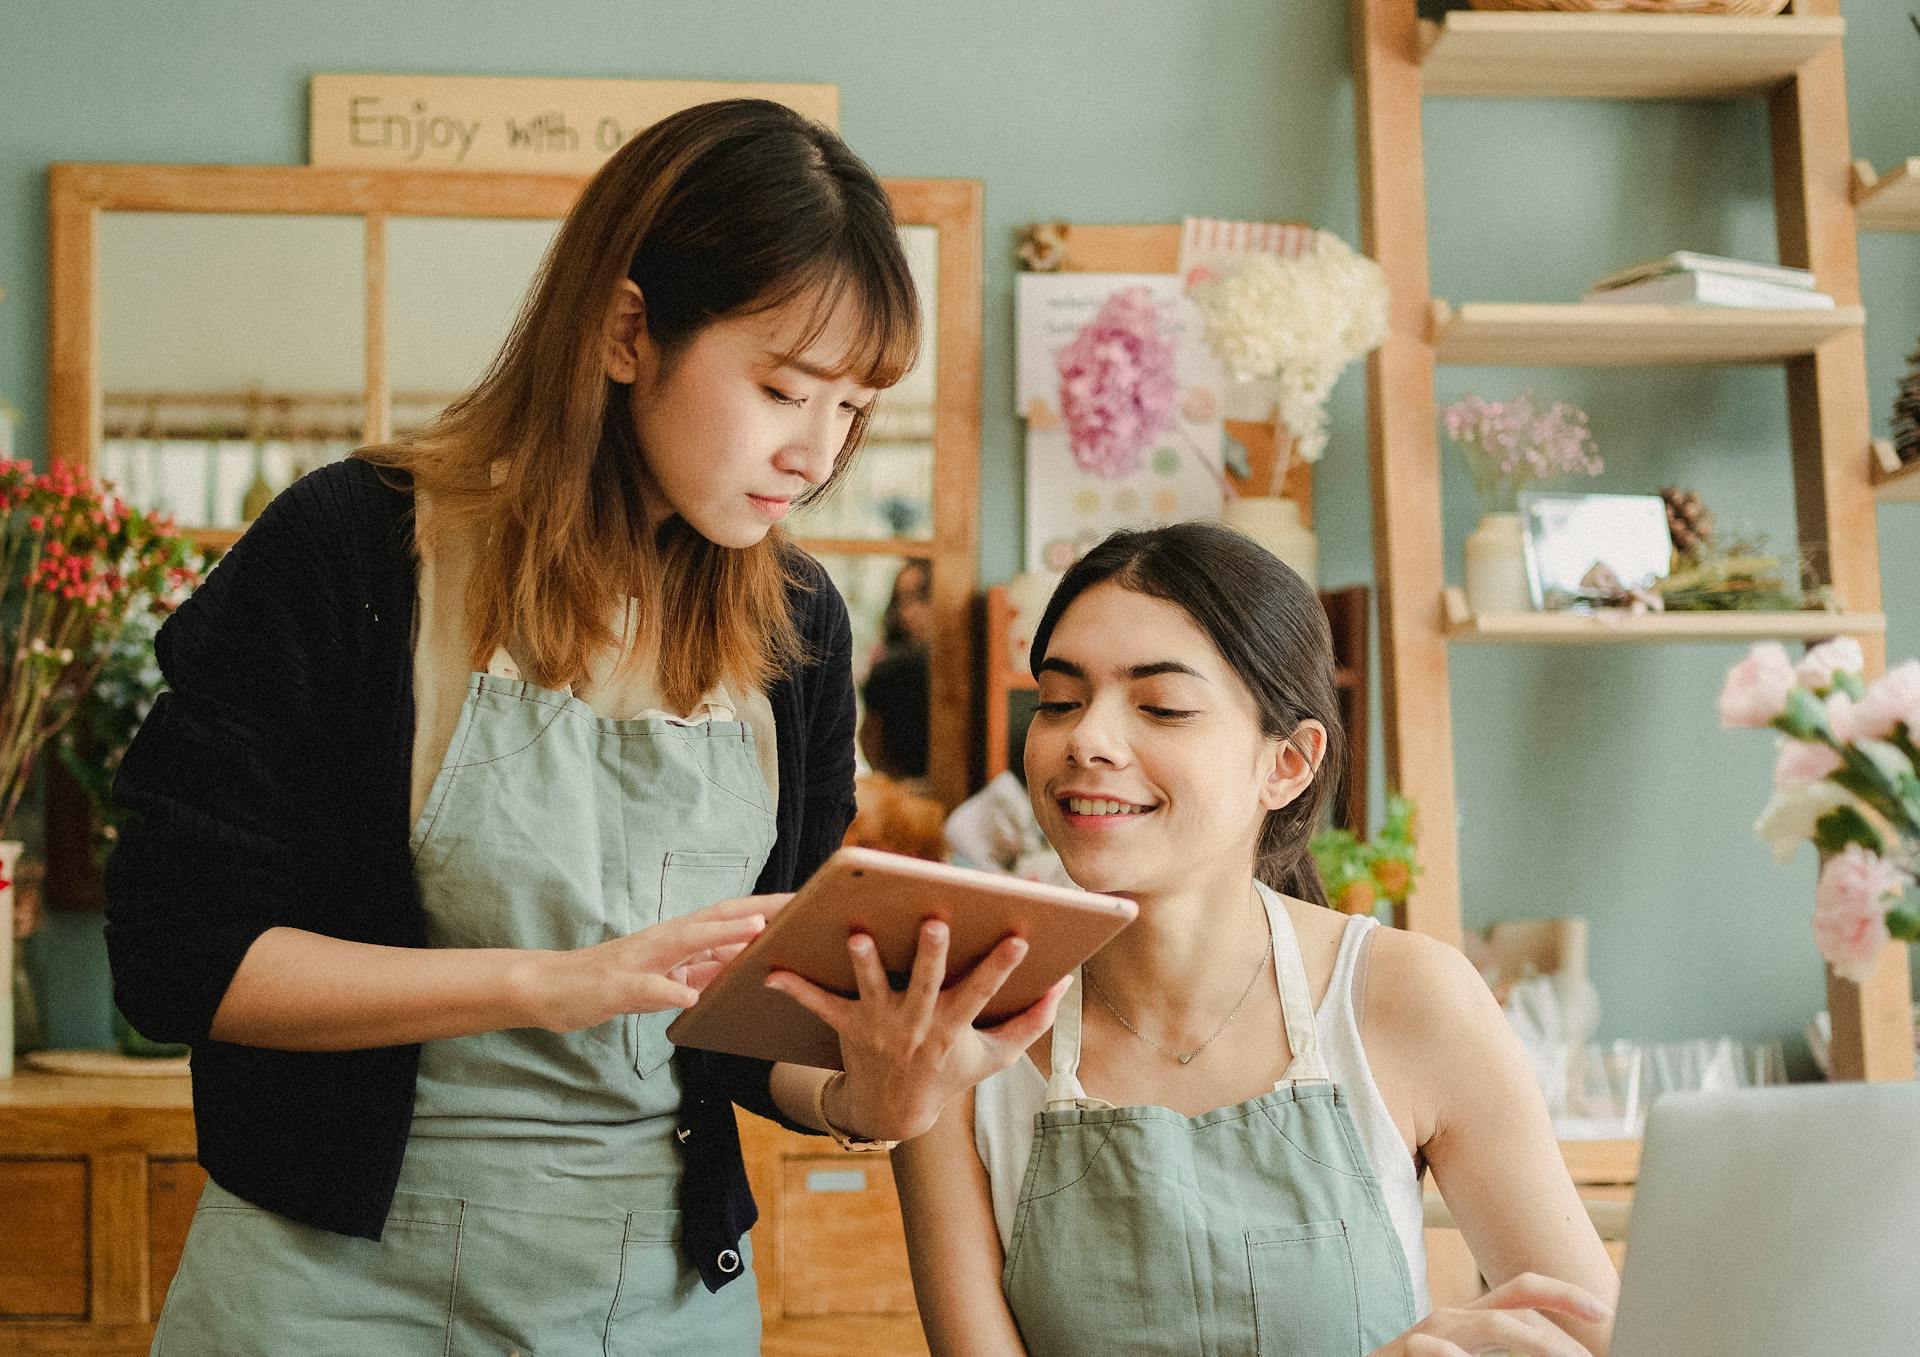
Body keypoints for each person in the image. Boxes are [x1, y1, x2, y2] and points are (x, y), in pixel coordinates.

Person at [104, 99, 1064, 1356]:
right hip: (325, 1295)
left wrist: (865, 1090)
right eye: (784, 389)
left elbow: (746, 1032)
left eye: (853, 410)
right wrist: (546, 984)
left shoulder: (805, 628)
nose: (814, 454)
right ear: (626, 330)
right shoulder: (350, 553)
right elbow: (179, 955)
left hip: (655, 1303)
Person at [891, 522, 1619, 1357]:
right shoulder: (957, 1033)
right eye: (1058, 700)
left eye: (1160, 706)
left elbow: (1605, 1339)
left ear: (1289, 762)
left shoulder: (1407, 998)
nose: (1085, 739)